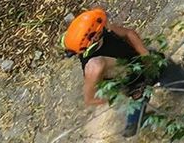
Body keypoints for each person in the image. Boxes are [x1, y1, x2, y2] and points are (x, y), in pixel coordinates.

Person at [64, 8, 154, 136]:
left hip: (137, 62)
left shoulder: (103, 30)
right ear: (94, 37)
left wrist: (145, 55)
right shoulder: (94, 65)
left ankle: (177, 82)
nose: (106, 24)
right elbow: (90, 99)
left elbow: (129, 33)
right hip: (131, 82)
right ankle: (133, 124)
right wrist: (119, 99)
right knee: (138, 100)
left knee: (163, 67)